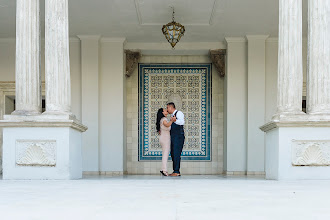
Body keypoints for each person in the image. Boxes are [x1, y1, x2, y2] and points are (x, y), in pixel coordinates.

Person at [166, 102, 185, 177]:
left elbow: (182, 122)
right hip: (174, 137)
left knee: (176, 153)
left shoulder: (179, 113)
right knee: (173, 153)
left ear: (171, 107)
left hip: (178, 136)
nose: (167, 110)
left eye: (167, 108)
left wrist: (175, 120)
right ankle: (175, 170)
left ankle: (177, 171)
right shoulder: (172, 115)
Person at [156, 108, 173, 176]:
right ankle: (164, 170)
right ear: (163, 112)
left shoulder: (162, 119)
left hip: (163, 138)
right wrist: (172, 121)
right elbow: (167, 125)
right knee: (165, 155)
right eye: (165, 110)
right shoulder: (164, 119)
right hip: (165, 139)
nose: (167, 110)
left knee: (164, 154)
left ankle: (162, 169)